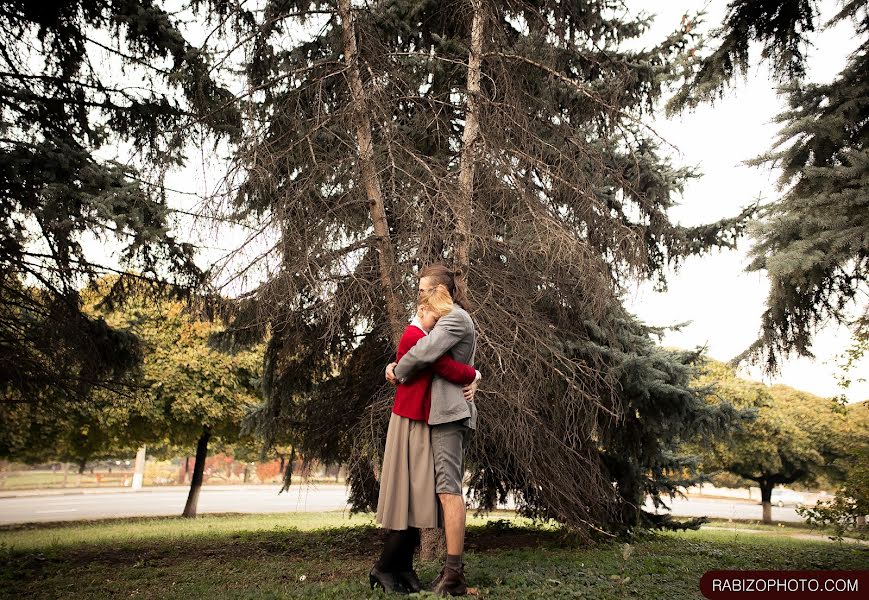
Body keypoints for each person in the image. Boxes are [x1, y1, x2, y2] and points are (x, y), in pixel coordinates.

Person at [371, 286, 481, 594]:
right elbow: (438, 363)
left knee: (416, 497)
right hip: (409, 420)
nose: (439, 321)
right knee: (406, 496)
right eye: (434, 313)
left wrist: (476, 375)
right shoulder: (413, 336)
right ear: (422, 310)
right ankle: (385, 567)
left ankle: (403, 567)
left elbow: (441, 361)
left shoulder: (441, 327)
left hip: (423, 419)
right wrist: (394, 370)